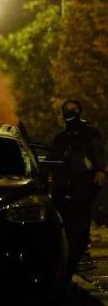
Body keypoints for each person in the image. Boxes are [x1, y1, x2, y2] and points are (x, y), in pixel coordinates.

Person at [52, 99, 106, 272]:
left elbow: (97, 151)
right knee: (67, 220)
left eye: (73, 109)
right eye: (66, 110)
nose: (70, 112)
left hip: (83, 182)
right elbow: (55, 160)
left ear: (80, 111)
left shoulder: (89, 133)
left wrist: (99, 171)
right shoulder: (60, 138)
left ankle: (81, 253)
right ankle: (73, 254)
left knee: (81, 217)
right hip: (64, 185)